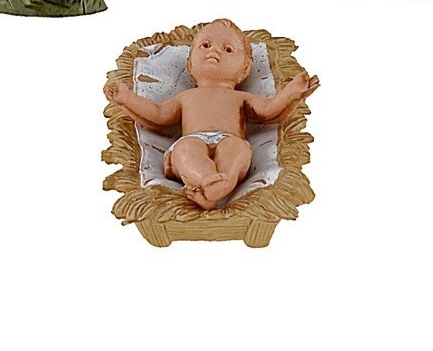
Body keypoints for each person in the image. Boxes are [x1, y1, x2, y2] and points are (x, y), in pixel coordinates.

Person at [104, 19, 319, 209]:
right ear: (190, 63)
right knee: (186, 150)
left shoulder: (240, 98)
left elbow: (269, 110)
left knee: (239, 149)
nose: (214, 51)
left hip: (229, 139)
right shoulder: (187, 97)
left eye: (228, 49)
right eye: (205, 45)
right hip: (192, 139)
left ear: (244, 69)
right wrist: (127, 98)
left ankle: (218, 187)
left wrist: (292, 92)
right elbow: (158, 115)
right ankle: (207, 180)